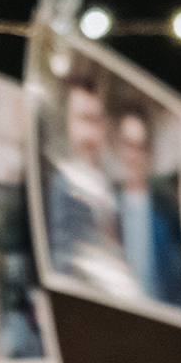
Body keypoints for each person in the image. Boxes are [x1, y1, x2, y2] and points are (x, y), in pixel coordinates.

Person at [46, 74, 126, 283]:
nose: (89, 133)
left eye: (95, 121)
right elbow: (63, 264)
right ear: (69, 124)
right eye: (83, 119)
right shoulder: (63, 185)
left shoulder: (113, 187)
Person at [112, 111, 181, 309]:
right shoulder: (108, 206)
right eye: (128, 145)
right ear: (119, 148)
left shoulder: (168, 213)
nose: (133, 155)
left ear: (148, 153)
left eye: (139, 147)